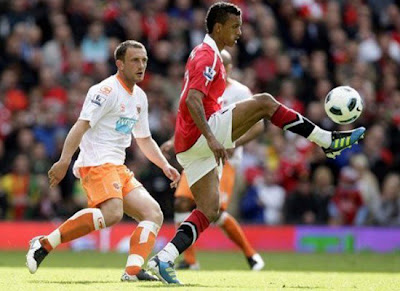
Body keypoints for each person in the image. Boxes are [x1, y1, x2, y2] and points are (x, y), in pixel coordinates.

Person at [147, 2, 365, 285]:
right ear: (218, 27)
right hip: (201, 134)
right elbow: (191, 100)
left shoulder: (204, 54)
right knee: (265, 102)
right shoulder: (207, 56)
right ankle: (327, 140)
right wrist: (212, 138)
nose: (239, 32)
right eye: (235, 26)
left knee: (210, 209)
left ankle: (163, 258)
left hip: (188, 144)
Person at [26, 40, 180, 282]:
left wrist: (164, 165)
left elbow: (145, 138)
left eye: (144, 60)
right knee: (112, 214)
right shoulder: (105, 91)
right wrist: (64, 160)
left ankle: (132, 271)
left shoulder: (140, 97)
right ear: (120, 64)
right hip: (97, 162)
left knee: (153, 213)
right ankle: (44, 244)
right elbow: (80, 125)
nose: (141, 65)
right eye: (135, 60)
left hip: (117, 166)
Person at [161, 50, 265, 271]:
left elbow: (259, 126)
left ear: (230, 67)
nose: (220, 71)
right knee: (180, 201)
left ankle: (251, 254)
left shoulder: (241, 92)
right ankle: (190, 260)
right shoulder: (202, 88)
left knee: (216, 212)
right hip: (200, 154)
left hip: (225, 160)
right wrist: (173, 140)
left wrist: (232, 142)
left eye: (224, 66)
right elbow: (190, 121)